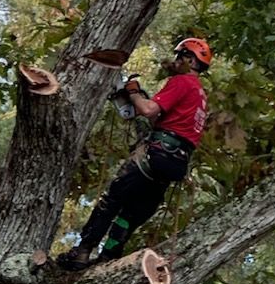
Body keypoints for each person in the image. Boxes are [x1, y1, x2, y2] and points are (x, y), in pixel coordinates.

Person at [59, 38, 212, 269]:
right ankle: (109, 257)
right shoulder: (200, 94)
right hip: (176, 162)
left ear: (190, 60)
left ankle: (82, 250)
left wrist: (133, 93)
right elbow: (157, 117)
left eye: (179, 57)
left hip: (157, 154)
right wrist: (140, 98)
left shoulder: (183, 81)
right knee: (131, 213)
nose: (175, 61)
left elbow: (148, 109)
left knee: (112, 199)